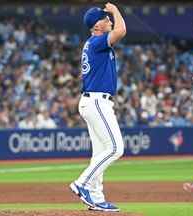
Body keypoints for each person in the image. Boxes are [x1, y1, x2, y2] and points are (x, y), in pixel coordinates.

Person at [70, 2, 126, 212]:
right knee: (115, 148)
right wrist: (116, 10)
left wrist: (111, 14)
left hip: (92, 101)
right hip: (96, 101)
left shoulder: (95, 42)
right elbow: (122, 30)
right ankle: (81, 183)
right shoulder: (96, 42)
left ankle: (96, 197)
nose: (109, 19)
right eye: (105, 18)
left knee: (101, 151)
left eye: (108, 17)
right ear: (96, 26)